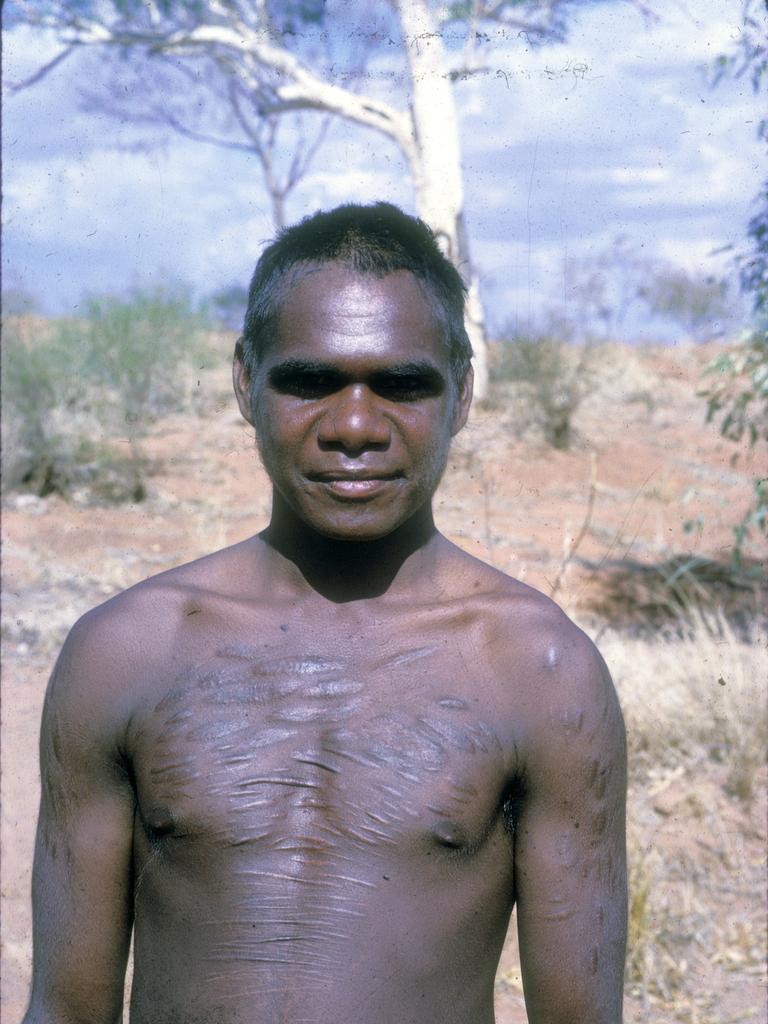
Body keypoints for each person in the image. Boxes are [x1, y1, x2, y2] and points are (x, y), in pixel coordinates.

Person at [24, 202, 627, 1024]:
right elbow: (64, 1010)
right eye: (309, 381)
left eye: (402, 385)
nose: (352, 427)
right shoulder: (126, 651)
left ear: (461, 394)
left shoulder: (536, 670)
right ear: (245, 381)